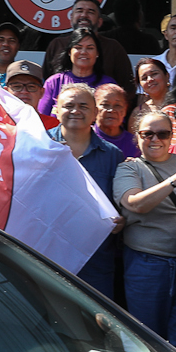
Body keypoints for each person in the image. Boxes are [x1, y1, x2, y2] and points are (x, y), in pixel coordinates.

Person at [115, 108, 176, 344]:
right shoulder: (130, 168)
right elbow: (136, 204)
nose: (155, 139)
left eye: (162, 134)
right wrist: (174, 179)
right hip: (147, 265)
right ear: (137, 137)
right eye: (147, 134)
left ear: (171, 136)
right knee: (148, 336)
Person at [51, 83, 125, 296]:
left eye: (83, 106)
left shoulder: (112, 155)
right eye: (69, 105)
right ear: (56, 110)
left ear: (95, 113)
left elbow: (118, 204)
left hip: (95, 258)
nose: (76, 111)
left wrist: (122, 220)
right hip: (46, 252)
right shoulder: (38, 146)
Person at [42, 0, 137, 90]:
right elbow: (45, 80)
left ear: (100, 22)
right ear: (71, 18)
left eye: (90, 12)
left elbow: (127, 87)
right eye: (79, 11)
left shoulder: (113, 48)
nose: (84, 15)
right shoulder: (57, 45)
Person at [38, 27, 108, 115]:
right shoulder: (54, 82)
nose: (83, 52)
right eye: (78, 47)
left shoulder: (107, 84)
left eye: (90, 48)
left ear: (97, 53)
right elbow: (42, 118)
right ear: (69, 52)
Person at [3, 60, 57, 129]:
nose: (24, 91)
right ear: (6, 91)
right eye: (17, 87)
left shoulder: (54, 126)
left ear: (42, 92)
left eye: (31, 87)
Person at [95, 83, 139, 158]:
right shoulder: (85, 138)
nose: (111, 110)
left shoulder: (135, 144)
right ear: (94, 108)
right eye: (105, 104)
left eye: (117, 105)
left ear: (125, 110)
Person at [132, 56, 172, 122]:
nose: (150, 79)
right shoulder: (137, 113)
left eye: (154, 74)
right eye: (144, 78)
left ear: (167, 76)